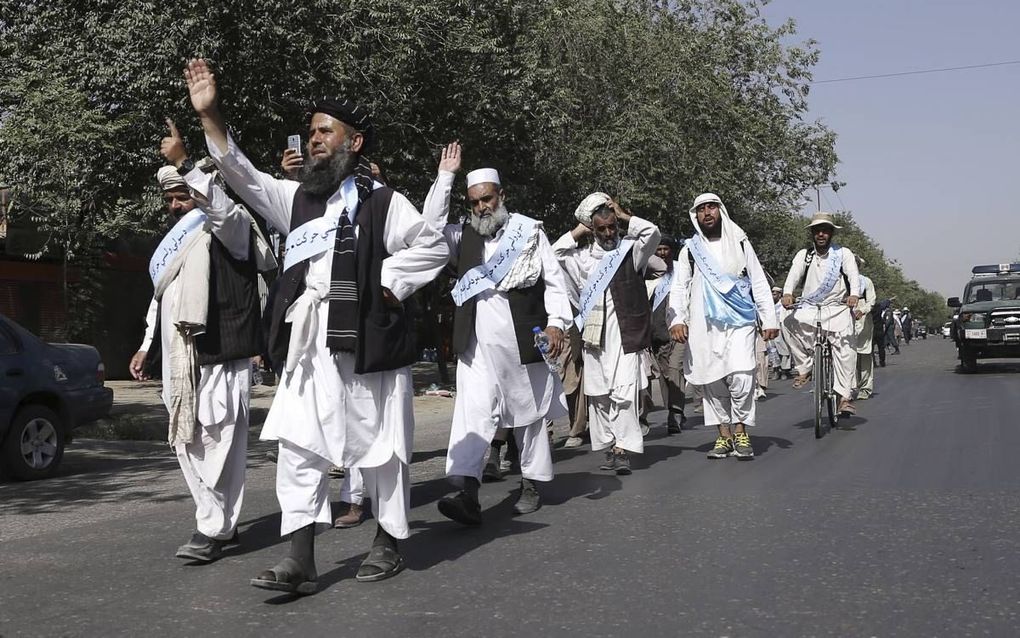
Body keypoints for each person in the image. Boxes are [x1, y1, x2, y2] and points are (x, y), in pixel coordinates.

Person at [184, 59, 449, 593]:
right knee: (299, 446)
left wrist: (391, 282)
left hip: (368, 340)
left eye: (325, 131)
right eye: (310, 132)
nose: (313, 140)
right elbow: (243, 176)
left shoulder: (384, 202)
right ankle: (301, 557)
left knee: (383, 448)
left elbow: (435, 244)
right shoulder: (296, 198)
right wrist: (211, 116)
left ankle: (387, 542)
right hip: (310, 344)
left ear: (354, 143)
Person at [129, 119, 276, 562]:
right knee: (185, 442)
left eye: (183, 195)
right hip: (179, 360)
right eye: (171, 198)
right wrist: (144, 344)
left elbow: (221, 209)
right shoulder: (176, 247)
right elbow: (163, 299)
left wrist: (183, 162)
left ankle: (214, 529)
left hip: (220, 355)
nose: (176, 205)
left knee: (220, 445)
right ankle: (215, 521)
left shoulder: (229, 229)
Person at [421, 143, 570, 524]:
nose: (481, 208)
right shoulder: (463, 236)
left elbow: (554, 282)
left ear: (501, 196)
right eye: (474, 202)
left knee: (529, 413)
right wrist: (445, 177)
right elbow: (429, 229)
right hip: (475, 345)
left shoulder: (529, 231)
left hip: (522, 336)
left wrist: (556, 323)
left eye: (487, 199)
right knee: (471, 415)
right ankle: (466, 491)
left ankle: (532, 483)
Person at [553, 193, 660, 474]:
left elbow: (652, 232)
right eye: (601, 229)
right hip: (594, 339)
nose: (609, 232)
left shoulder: (630, 252)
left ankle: (623, 449)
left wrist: (624, 214)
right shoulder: (582, 259)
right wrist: (579, 230)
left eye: (612, 226)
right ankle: (611, 444)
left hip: (626, 337)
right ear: (593, 230)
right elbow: (553, 256)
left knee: (624, 395)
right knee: (600, 396)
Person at [668, 193, 778, 459]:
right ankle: (723, 435)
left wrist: (770, 318)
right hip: (704, 325)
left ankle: (740, 430)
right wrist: (677, 319)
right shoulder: (690, 250)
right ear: (696, 216)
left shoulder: (740, 242)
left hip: (740, 321)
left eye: (711, 208)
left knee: (742, 376)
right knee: (712, 380)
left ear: (720, 211)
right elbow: (679, 286)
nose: (707, 213)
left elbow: (759, 281)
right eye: (701, 209)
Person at [781, 212, 861, 415]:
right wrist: (788, 293)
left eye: (825, 230)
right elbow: (793, 276)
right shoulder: (804, 255)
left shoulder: (843, 253)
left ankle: (844, 397)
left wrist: (854, 295)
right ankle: (804, 367)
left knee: (846, 351)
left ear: (832, 233)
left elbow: (853, 275)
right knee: (787, 321)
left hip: (837, 308)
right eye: (817, 231)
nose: (821, 234)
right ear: (812, 234)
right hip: (810, 307)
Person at [643, 235, 687, 433]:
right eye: (658, 250)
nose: (662, 253)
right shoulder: (648, 273)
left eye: (665, 249)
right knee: (664, 375)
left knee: (675, 368)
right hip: (656, 332)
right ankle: (673, 410)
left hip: (678, 331)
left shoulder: (680, 270)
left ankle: (675, 412)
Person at [852, 258, 877, 400]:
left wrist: (863, 310)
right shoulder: (841, 281)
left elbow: (871, 300)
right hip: (844, 316)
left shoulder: (865, 281)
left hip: (862, 318)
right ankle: (849, 386)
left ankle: (865, 387)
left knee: (864, 354)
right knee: (847, 355)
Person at [770, 286, 794, 379]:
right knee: (773, 349)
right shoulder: (769, 304)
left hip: (782, 327)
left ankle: (785, 370)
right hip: (772, 328)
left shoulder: (783, 304)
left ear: (780, 295)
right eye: (772, 293)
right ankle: (776, 369)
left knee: (784, 349)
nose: (773, 296)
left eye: (775, 294)